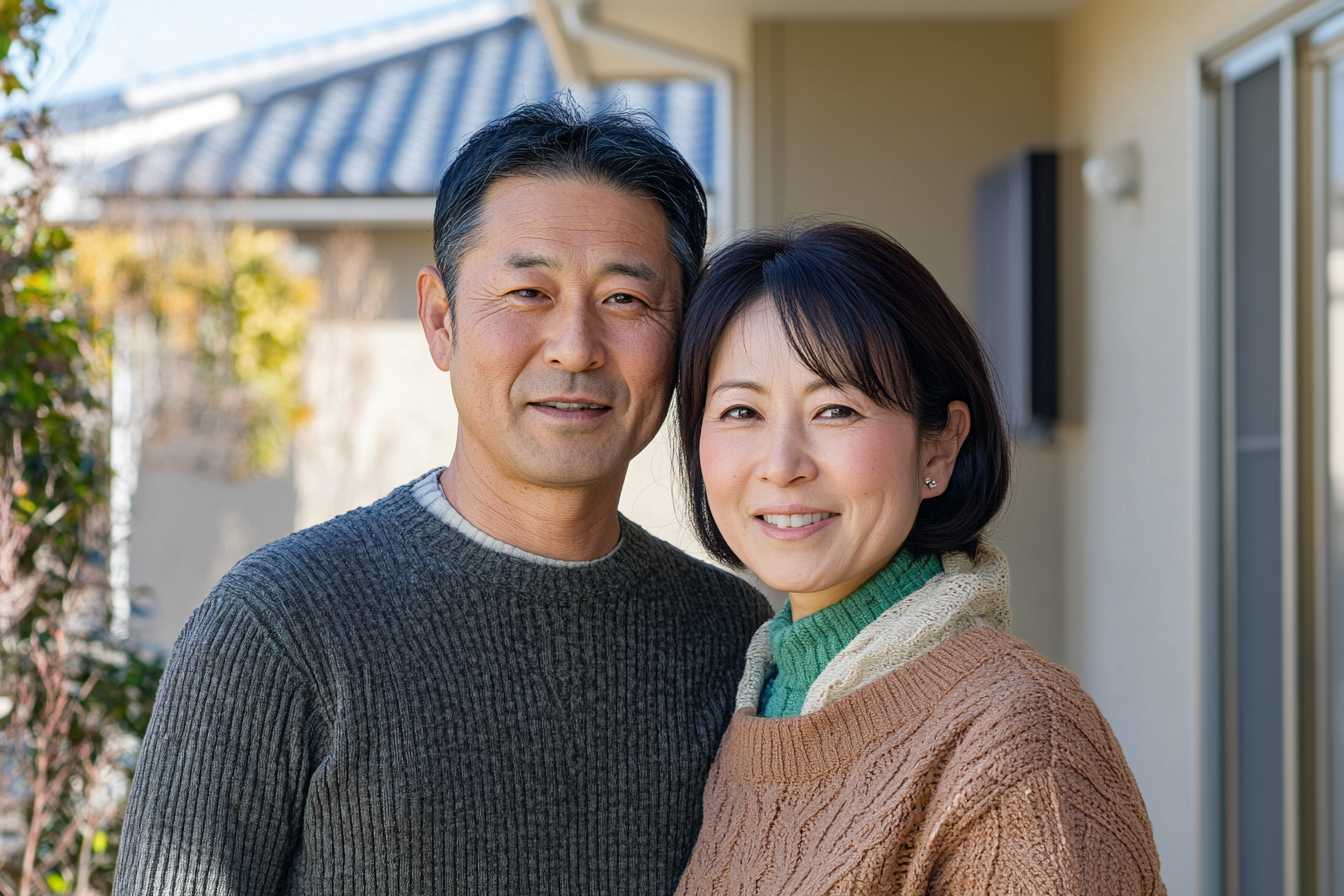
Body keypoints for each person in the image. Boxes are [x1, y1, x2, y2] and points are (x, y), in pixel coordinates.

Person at [113, 99, 771, 896]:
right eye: (528, 292)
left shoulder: (735, 640)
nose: (575, 346)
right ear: (440, 319)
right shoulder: (281, 625)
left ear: (685, 332)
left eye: (625, 300)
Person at [672, 222, 1165, 895]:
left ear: (938, 448)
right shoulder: (752, 695)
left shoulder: (1018, 739)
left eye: (836, 410)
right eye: (739, 413)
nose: (781, 466)